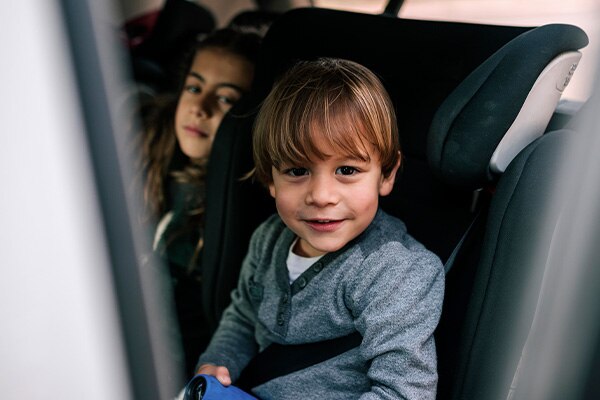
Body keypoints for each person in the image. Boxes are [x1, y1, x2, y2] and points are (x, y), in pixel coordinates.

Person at [195, 58, 445, 399]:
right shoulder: (268, 241)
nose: (321, 196)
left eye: (346, 170)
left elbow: (402, 391)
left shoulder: (396, 272)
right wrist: (216, 364)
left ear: (386, 175)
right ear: (270, 178)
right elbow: (242, 318)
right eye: (297, 171)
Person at [137, 27, 261, 379]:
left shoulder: (239, 207)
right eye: (194, 88)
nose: (200, 108)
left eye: (225, 99)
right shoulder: (145, 151)